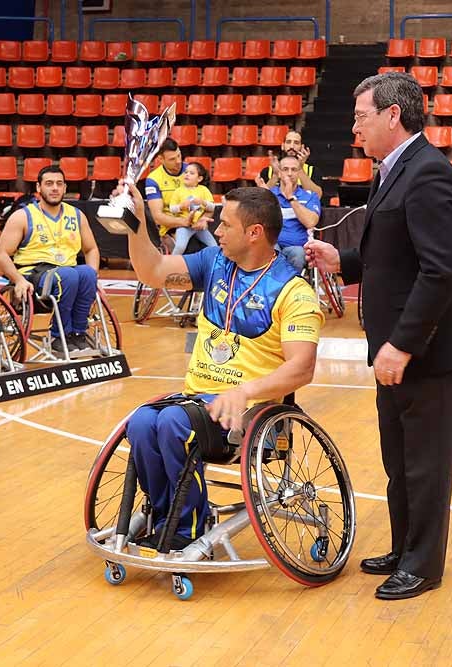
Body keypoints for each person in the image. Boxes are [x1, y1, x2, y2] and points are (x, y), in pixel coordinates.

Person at [305, 72, 452, 600]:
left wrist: (402, 344)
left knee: (426, 463)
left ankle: (424, 564)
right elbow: (392, 255)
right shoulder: (396, 170)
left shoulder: (428, 174)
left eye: (362, 115)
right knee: (398, 459)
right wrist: (346, 261)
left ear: (392, 115)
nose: (354, 125)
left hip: (427, 350)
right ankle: (405, 544)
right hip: (397, 348)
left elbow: (440, 272)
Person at [122, 183, 323, 551]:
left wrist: (244, 391)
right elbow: (152, 271)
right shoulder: (214, 262)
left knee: (171, 424)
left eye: (225, 225)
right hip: (197, 401)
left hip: (248, 416)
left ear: (254, 233)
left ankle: (187, 528)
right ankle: (169, 518)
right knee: (139, 421)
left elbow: (302, 368)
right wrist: (137, 224)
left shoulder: (295, 293)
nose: (216, 232)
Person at [0, 165, 100, 356]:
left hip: (68, 273)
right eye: (49, 184)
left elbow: (91, 249)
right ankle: (57, 336)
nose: (55, 188)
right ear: (38, 187)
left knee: (87, 274)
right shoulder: (22, 216)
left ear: (65, 188)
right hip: (33, 273)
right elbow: (1, 254)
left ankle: (78, 333)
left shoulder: (76, 216)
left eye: (59, 184)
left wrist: (93, 276)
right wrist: (18, 280)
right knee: (68, 275)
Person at [271, 152, 321, 273]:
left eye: (294, 170)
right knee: (269, 251)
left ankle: (289, 287)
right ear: (279, 173)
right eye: (285, 169)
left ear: (299, 173)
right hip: (273, 244)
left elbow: (310, 222)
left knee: (297, 254)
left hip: (297, 248)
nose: (289, 173)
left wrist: (291, 198)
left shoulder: (309, 196)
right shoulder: (269, 195)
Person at [255, 129, 324, 199]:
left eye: (296, 143)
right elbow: (262, 199)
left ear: (302, 147)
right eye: (288, 142)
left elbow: (317, 196)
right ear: (282, 146)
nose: (292, 146)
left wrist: (300, 169)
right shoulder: (268, 171)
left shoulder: (313, 170)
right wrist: (275, 176)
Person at [142, 138, 188, 241]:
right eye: (172, 159)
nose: (178, 161)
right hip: (170, 228)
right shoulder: (153, 180)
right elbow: (157, 217)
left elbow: (205, 201)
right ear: (160, 159)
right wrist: (184, 222)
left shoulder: (191, 171)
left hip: (194, 223)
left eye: (179, 155)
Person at [168, 162, 217, 256]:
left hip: (199, 225)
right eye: (186, 172)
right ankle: (171, 263)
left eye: (191, 173)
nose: (187, 174)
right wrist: (181, 207)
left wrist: (202, 202)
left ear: (199, 178)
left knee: (213, 246)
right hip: (184, 226)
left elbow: (212, 207)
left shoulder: (203, 190)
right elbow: (172, 209)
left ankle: (217, 264)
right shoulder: (178, 191)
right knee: (180, 246)